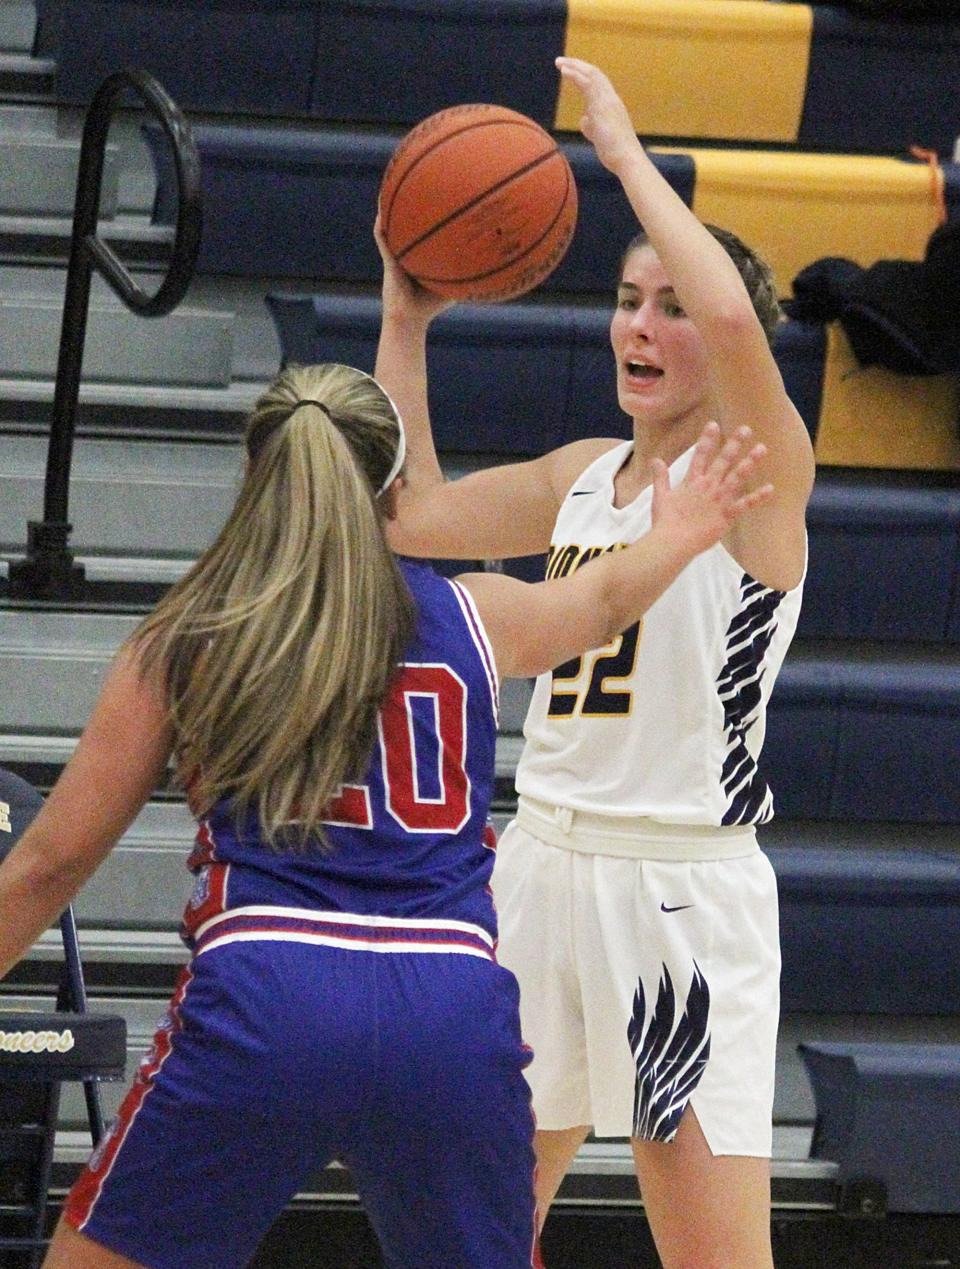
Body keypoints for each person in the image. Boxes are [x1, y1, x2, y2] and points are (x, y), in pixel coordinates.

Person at [0, 359, 768, 1269]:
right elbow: (599, 601)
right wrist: (676, 534)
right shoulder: (476, 615)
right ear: (397, 490)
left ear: (258, 479)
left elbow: (47, 864)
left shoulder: (191, 635)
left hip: (267, 992)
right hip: (445, 1002)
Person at [374, 57, 815, 1269]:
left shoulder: (756, 479)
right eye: (629, 299)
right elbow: (406, 512)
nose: (644, 325)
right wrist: (406, 318)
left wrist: (623, 154)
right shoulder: (579, 475)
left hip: (678, 897)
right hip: (540, 864)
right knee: (473, 1234)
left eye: (672, 304)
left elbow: (735, 318)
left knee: (715, 1258)